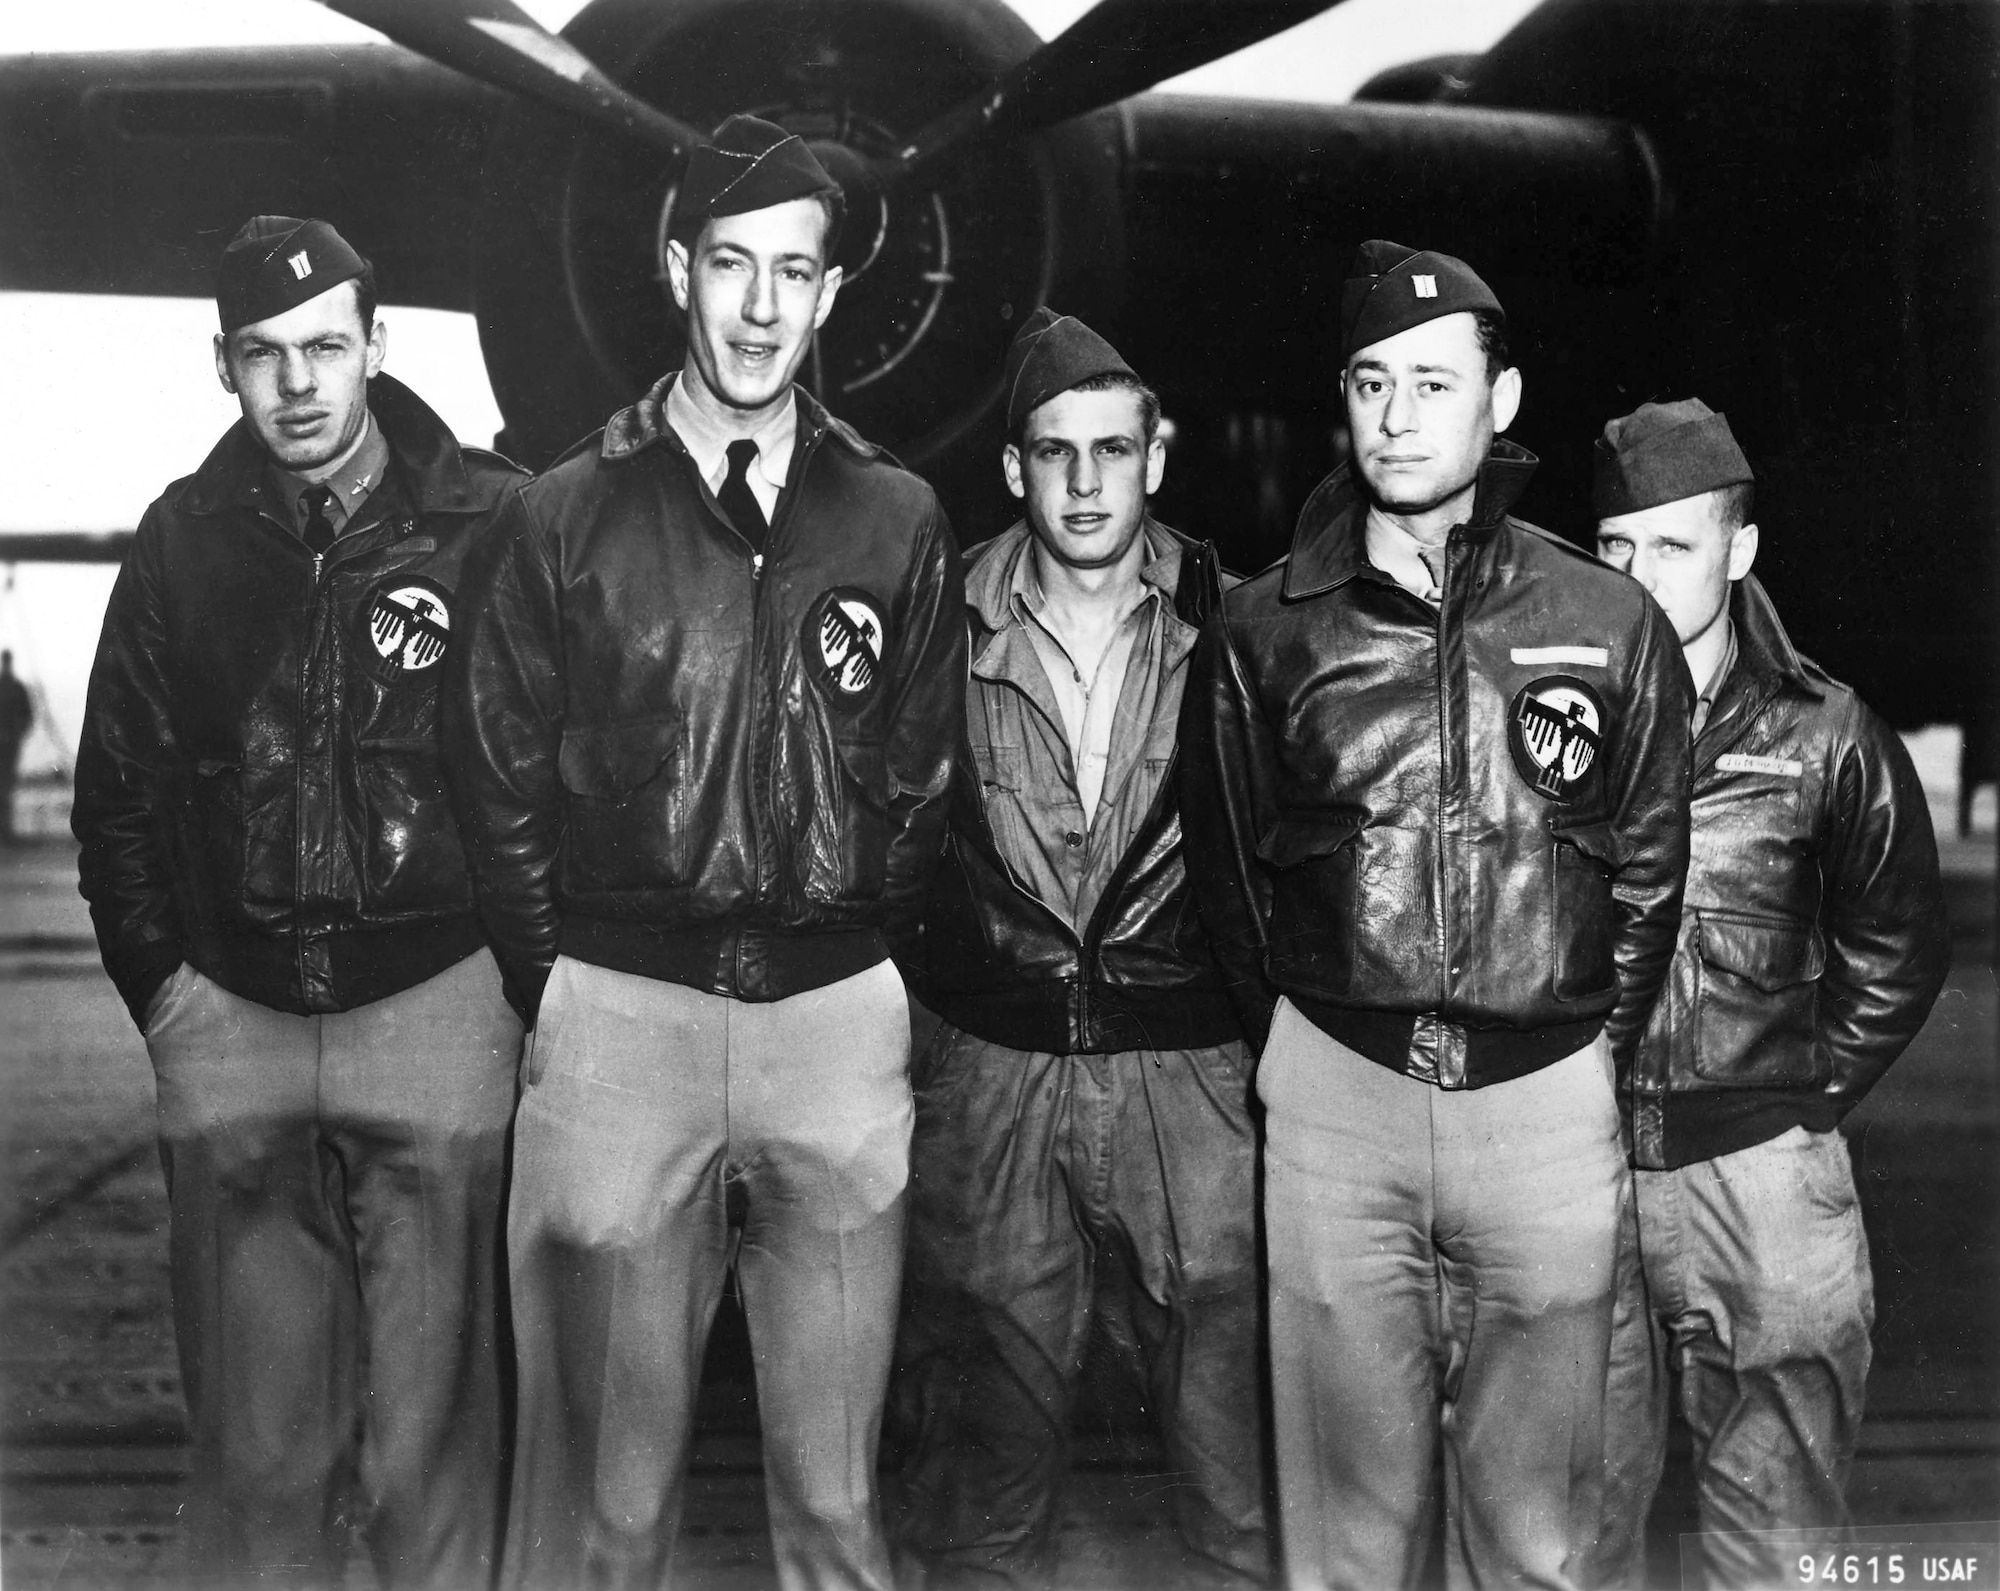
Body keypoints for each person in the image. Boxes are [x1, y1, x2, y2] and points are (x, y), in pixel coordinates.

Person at [441, 114, 965, 1591]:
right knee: (599, 1511)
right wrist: (572, 990)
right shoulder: (563, 512)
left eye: (792, 273)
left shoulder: (896, 514)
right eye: (731, 264)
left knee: (838, 1499)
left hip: (832, 1028)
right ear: (677, 267)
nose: (758, 307)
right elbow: (497, 779)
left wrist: (851, 969)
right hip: (620, 1019)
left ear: (830, 293)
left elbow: (923, 782)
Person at [1179, 239, 1692, 1590]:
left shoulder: (1608, 616)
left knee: (1538, 1534)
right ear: (1341, 403)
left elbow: (1646, 867)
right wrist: (1305, 1051)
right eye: (1369, 382)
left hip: (1546, 1100)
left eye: (1432, 381)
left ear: (1501, 400)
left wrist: (1586, 1056)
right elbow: (1230, 881)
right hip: (1340, 1098)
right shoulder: (1261, 631)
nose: (1398, 415)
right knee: (1343, 1535)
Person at [70, 215, 526, 1587]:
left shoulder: (490, 522)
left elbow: (552, 770)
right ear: (225, 366)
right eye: (263, 355)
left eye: (326, 346)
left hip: (438, 1007)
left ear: (378, 347)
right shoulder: (180, 541)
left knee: (434, 1458)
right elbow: (121, 793)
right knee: (259, 1463)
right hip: (239, 1021)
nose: (298, 384)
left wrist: (513, 985)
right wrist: (172, 998)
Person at [891, 309, 1271, 1588]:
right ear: (1014, 471)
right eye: (1056, 453)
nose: (1088, 481)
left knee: (1237, 1484)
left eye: (1114, 449)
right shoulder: (935, 622)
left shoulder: (1240, 628)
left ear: (1155, 456)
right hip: (991, 1082)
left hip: (1193, 1084)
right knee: (976, 1495)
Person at [1589, 400, 1951, 1588]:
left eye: (1672, 545)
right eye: (1615, 548)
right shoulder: (1551, 726)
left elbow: (1896, 948)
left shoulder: (1827, 734)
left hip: (1761, 1192)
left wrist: (1794, 1099)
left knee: (1774, 1542)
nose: (1638, 580)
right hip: (1576, 1172)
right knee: (1567, 1532)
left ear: (1738, 549)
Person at [0, 650, 33, 841]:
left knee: (5, 787)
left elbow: (27, 715)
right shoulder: (15, 687)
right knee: (5, 787)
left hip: (9, 745)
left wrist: (15, 734)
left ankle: (5, 830)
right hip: (9, 743)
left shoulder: (16, 687)